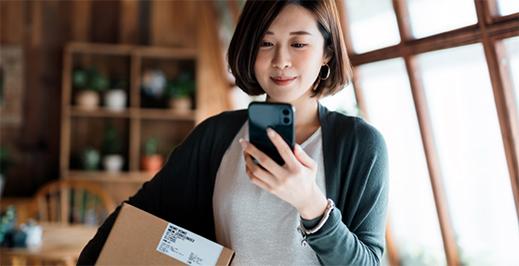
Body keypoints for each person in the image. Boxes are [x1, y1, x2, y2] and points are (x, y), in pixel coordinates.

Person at [78, 0, 389, 265]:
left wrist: (312, 205)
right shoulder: (216, 136)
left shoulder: (360, 145)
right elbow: (133, 219)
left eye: (298, 43)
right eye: (266, 43)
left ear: (327, 54)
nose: (280, 60)